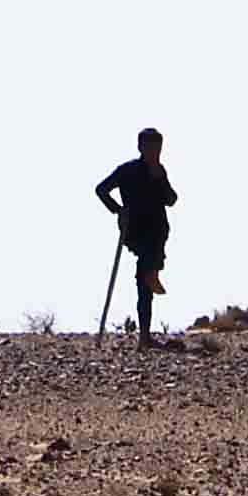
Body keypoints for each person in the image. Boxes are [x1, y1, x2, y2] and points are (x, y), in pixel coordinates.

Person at [95, 128, 177, 345]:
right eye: (150, 147)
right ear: (140, 147)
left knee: (145, 282)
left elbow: (171, 200)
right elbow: (101, 189)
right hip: (136, 229)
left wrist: (161, 180)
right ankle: (152, 274)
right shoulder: (127, 170)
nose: (154, 152)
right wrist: (118, 209)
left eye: (157, 148)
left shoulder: (159, 171)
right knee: (148, 267)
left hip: (158, 230)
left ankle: (145, 336)